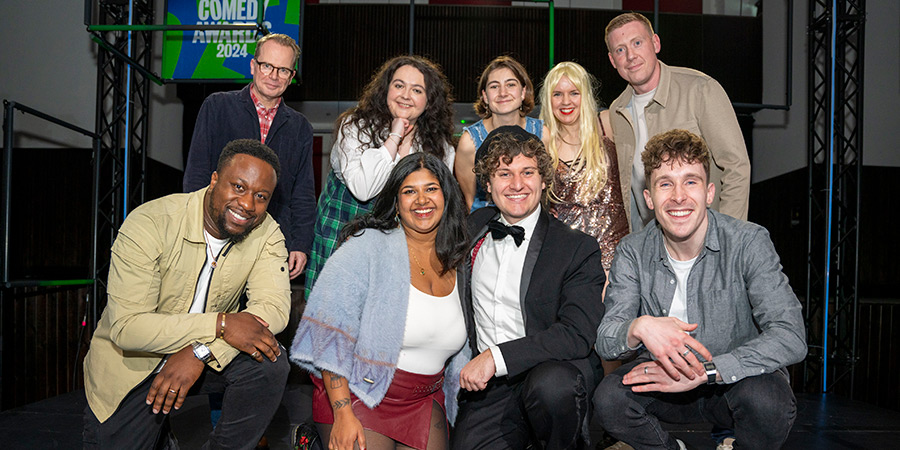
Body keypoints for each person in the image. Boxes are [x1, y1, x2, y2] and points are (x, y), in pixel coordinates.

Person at [593, 129, 806, 450]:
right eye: (665, 183)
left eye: (690, 181)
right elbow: (606, 340)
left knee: (768, 401)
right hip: (665, 379)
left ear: (709, 192)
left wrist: (711, 371)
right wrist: (638, 327)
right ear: (649, 198)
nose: (678, 196)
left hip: (735, 380)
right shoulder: (632, 250)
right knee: (609, 399)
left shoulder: (749, 241)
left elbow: (791, 336)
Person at [83, 139, 292, 449]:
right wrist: (220, 325)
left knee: (269, 360)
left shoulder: (266, 231)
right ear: (214, 180)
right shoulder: (150, 223)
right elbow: (126, 329)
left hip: (206, 359)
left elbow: (274, 309)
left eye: (261, 197)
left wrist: (199, 351)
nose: (248, 205)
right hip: (136, 368)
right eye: (238, 187)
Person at [291, 153, 470, 450]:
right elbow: (327, 335)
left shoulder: (461, 260)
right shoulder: (366, 248)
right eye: (409, 191)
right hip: (358, 392)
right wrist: (343, 412)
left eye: (431, 189)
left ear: (447, 197)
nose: (421, 200)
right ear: (396, 203)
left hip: (423, 399)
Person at [451, 128, 606, 450]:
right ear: (488, 184)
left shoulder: (576, 247)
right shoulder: (473, 228)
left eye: (528, 172)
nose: (517, 184)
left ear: (544, 179)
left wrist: (497, 356)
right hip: (491, 386)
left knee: (552, 387)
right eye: (504, 174)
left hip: (553, 376)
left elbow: (578, 334)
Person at [305, 55, 457, 297]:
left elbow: (440, 200)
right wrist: (394, 138)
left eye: (417, 89)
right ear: (386, 90)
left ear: (428, 101)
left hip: (400, 240)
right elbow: (364, 190)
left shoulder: (439, 146)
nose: (406, 95)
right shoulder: (355, 126)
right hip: (344, 232)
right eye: (399, 85)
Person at [183, 33, 315, 280]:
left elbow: (303, 193)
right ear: (253, 65)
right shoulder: (217, 106)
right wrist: (197, 228)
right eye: (267, 66)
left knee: (263, 315)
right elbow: (197, 173)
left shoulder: (301, 127)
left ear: (292, 76)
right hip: (218, 233)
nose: (274, 76)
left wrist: (300, 244)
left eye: (284, 70)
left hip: (272, 241)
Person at [605, 12, 751, 232]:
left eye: (637, 42)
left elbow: (736, 167)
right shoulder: (617, 111)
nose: (631, 56)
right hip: (650, 247)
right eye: (620, 50)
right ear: (612, 60)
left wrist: (728, 236)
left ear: (655, 43)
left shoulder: (700, 90)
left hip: (705, 238)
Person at [539, 61, 628, 273]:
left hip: (618, 259)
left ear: (585, 96)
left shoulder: (607, 124)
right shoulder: (543, 140)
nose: (566, 101)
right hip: (567, 261)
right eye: (557, 94)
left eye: (574, 93)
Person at [454, 55, 543, 211]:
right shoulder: (469, 142)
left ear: (523, 92)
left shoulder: (542, 133)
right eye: (494, 86)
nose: (503, 92)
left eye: (510, 85)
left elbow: (543, 188)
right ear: (484, 96)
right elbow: (470, 200)